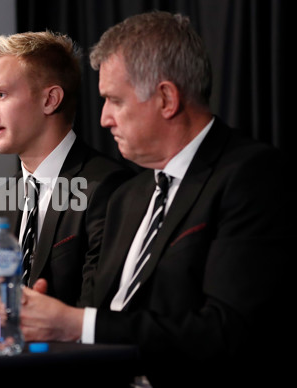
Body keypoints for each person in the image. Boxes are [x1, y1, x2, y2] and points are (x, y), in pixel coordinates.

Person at [17, 11, 293, 387]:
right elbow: (99, 313)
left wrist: (73, 323)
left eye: (114, 100)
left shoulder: (250, 177)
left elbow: (226, 331)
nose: (104, 119)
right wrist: (45, 319)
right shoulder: (128, 196)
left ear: (166, 98)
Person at [0, 31, 132, 331]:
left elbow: (94, 310)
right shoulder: (2, 196)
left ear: (50, 100)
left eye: (1, 94)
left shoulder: (108, 186)